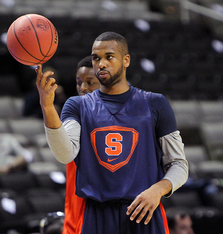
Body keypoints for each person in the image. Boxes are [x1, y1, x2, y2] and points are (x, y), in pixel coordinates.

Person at [36, 31, 189, 234]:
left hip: (144, 212)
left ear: (126, 60)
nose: (101, 64)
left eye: (109, 57)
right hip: (97, 215)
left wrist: (158, 190)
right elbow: (65, 154)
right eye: (96, 58)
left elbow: (178, 164)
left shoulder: (155, 103)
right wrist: (47, 107)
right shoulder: (77, 105)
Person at [63, 55, 100, 234]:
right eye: (79, 82)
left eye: (90, 82)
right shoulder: (73, 113)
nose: (83, 88)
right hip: (75, 211)